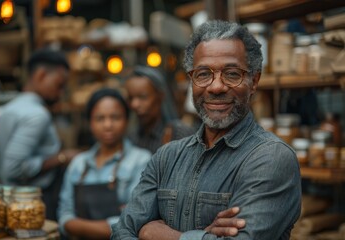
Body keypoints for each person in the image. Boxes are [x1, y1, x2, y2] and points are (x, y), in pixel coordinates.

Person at [111, 20, 301, 239]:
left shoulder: (271, 158)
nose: (216, 87)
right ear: (192, 79)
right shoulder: (167, 157)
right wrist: (204, 236)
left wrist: (155, 233)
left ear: (254, 81)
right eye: (203, 74)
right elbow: (121, 232)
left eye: (231, 74)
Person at [0, 47, 80, 221]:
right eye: (59, 85)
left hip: (14, 200)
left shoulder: (8, 108)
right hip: (34, 201)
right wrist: (62, 157)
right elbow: (13, 167)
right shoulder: (37, 114)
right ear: (41, 75)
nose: (61, 93)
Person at [57, 88, 152, 239]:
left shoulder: (141, 160)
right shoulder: (78, 164)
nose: (108, 125)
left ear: (127, 120)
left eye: (115, 117)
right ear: (90, 123)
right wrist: (111, 226)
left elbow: (134, 221)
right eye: (100, 118)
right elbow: (64, 214)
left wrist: (75, 226)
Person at [124, 65, 195, 153]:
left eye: (142, 97)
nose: (134, 104)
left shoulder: (178, 134)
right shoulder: (132, 138)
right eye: (130, 98)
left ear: (160, 96)